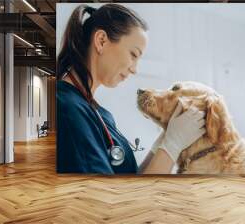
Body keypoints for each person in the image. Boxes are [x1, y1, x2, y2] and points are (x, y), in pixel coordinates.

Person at [56, 4, 205, 174]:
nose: (135, 69)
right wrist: (173, 144)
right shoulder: (67, 109)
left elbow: (131, 179)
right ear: (101, 41)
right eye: (133, 54)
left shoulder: (100, 114)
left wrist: (164, 141)